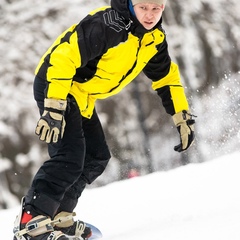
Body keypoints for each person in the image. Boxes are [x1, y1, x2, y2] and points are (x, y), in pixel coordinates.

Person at [13, 0, 195, 239]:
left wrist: (181, 116)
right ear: (130, 5)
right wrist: (54, 107)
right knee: (69, 156)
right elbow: (64, 57)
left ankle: (56, 216)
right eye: (143, 8)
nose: (150, 15)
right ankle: (31, 221)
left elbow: (166, 78)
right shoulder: (108, 25)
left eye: (156, 8)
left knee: (96, 157)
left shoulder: (153, 39)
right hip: (57, 83)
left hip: (80, 94)